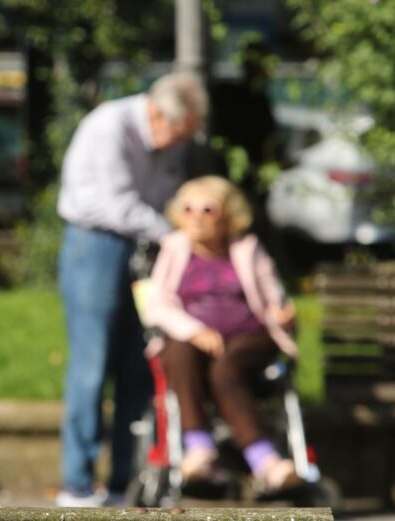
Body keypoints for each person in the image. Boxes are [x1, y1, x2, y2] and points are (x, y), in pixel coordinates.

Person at [56, 71, 208, 507]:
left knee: (138, 365)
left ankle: (126, 482)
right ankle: (78, 485)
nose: (183, 141)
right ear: (158, 113)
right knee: (92, 362)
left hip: (146, 248)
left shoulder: (171, 141)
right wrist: (175, 236)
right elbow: (116, 204)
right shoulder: (110, 126)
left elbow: (167, 197)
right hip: (97, 243)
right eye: (182, 130)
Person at [147, 176, 300, 493]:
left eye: (207, 209)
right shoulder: (174, 247)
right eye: (188, 208)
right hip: (194, 337)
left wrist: (282, 315)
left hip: (248, 337)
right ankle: (199, 447)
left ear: (227, 214)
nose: (196, 217)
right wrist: (196, 330)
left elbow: (273, 300)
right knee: (178, 350)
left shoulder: (248, 248)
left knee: (225, 370)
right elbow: (157, 304)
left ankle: (265, 461)